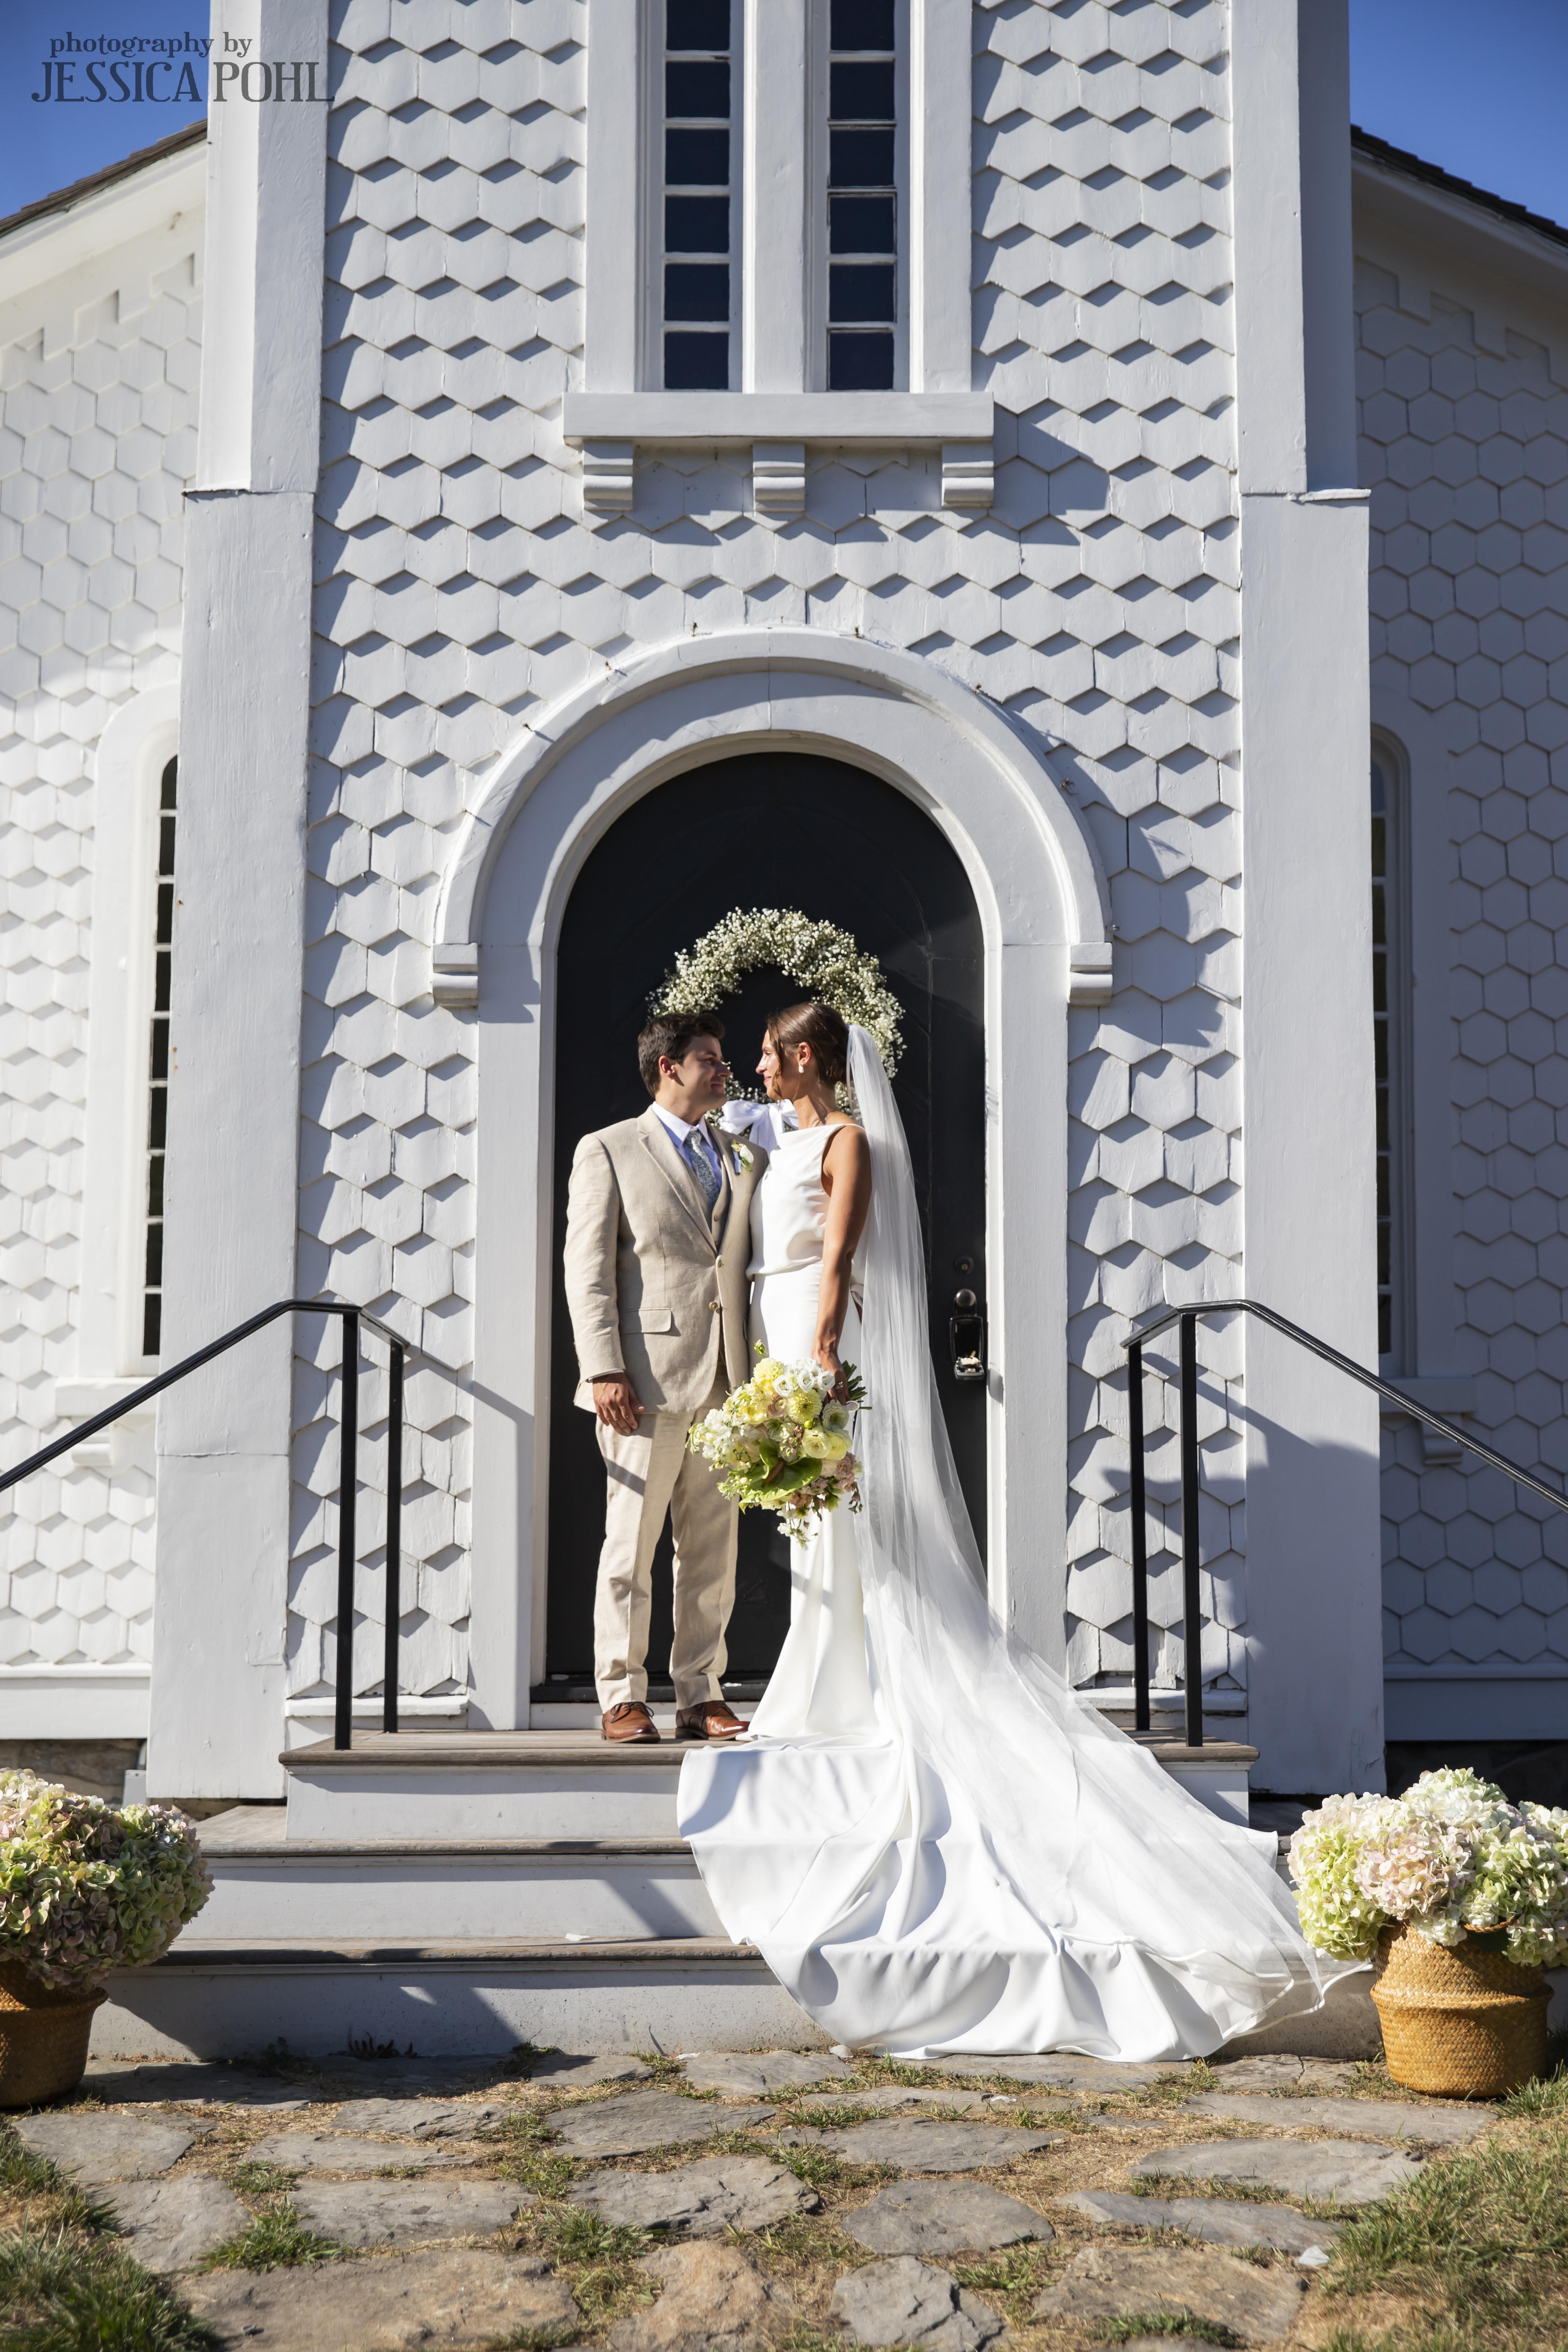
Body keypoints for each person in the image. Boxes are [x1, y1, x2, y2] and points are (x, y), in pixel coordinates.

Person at [678, 1003, 1344, 2059]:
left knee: (841, 1508)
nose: (756, 1065)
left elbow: (840, 1253)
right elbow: (715, 1156)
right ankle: (820, 1668)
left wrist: (821, 1348)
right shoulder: (771, 1132)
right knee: (809, 1514)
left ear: (804, 1055)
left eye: (766, 1051)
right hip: (772, 1316)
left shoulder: (847, 1140)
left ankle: (844, 1682)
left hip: (813, 1323)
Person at [563, 1012, 767, 1743]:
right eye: (708, 1058)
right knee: (630, 1546)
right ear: (668, 1067)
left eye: (722, 1057)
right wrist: (604, 1366)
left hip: (725, 1379)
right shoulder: (610, 1148)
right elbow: (587, 1269)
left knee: (712, 1551)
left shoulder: (740, 1153)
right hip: (642, 1382)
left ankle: (699, 1694)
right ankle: (621, 1695)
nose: (723, 1069)